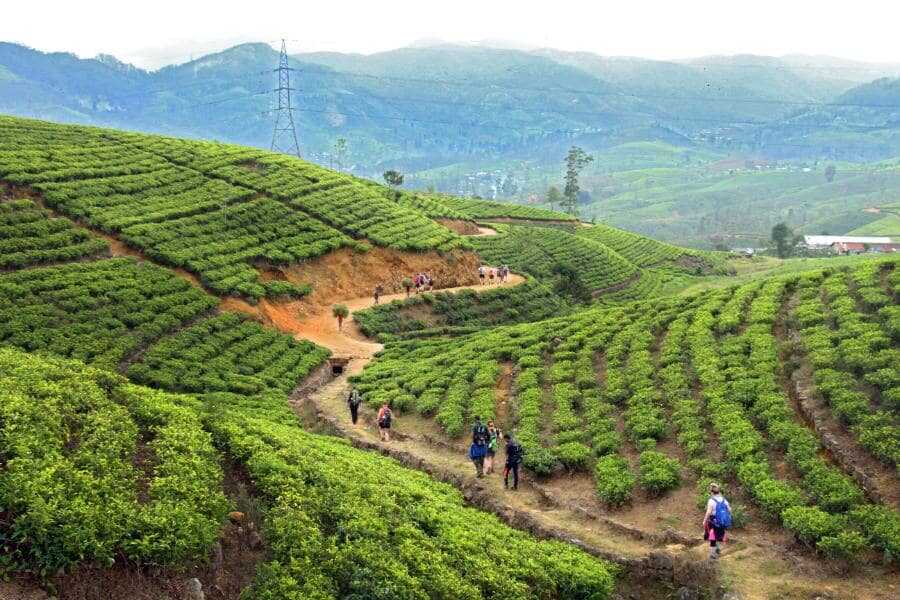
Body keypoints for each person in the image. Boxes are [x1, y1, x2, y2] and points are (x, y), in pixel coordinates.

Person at [703, 482, 732, 559]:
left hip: (713, 521)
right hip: (721, 521)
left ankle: (712, 555)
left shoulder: (711, 501)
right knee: (719, 536)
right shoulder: (724, 500)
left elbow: (708, 512)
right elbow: (729, 509)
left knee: (712, 537)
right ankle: (718, 549)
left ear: (712, 492)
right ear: (719, 492)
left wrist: (704, 521)